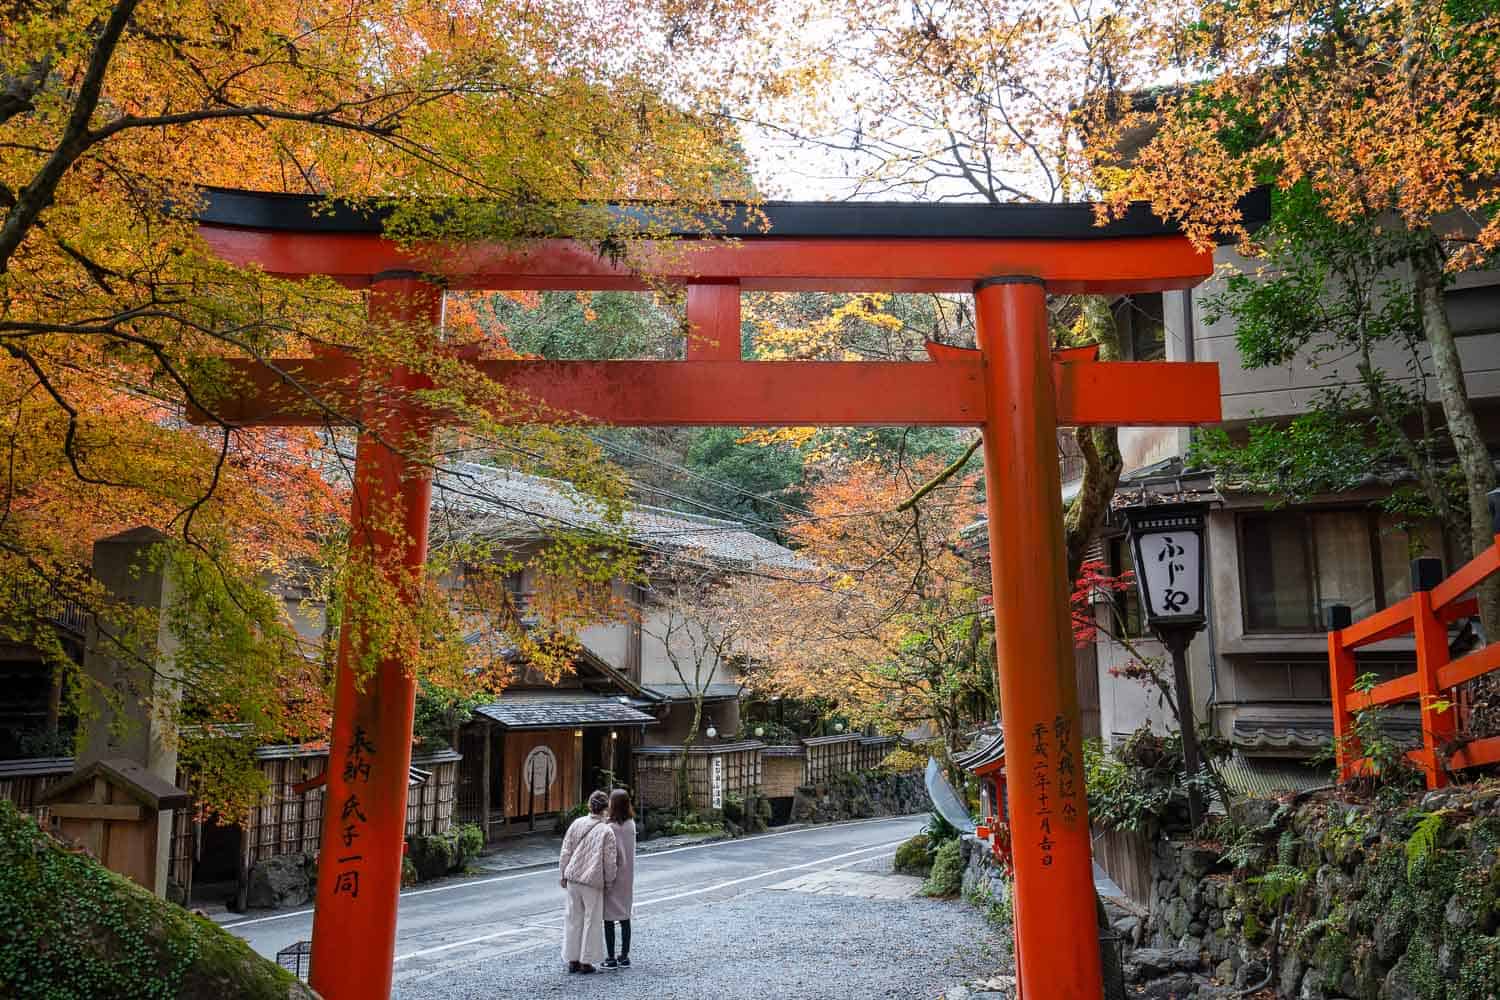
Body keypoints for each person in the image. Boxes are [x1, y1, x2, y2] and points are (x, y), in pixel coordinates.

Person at [559, 789, 618, 974]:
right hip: (593, 881)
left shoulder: (576, 823)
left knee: (573, 919)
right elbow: (610, 861)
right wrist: (609, 882)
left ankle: (572, 959)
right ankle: (587, 961)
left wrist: (562, 874)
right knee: (591, 920)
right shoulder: (606, 831)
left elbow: (565, 851)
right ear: (605, 809)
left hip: (573, 879)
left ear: (589, 806)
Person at [601, 788, 636, 970]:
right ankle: (624, 956)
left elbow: (610, 856)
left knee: (608, 918)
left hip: (613, 878)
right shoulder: (631, 825)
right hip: (628, 877)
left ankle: (611, 957)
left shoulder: (610, 828)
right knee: (624, 917)